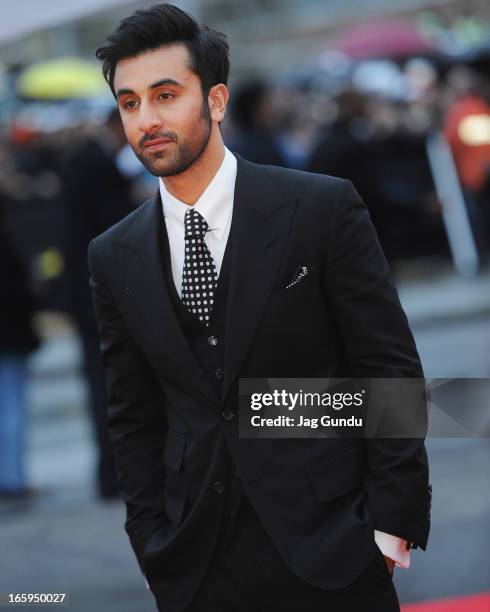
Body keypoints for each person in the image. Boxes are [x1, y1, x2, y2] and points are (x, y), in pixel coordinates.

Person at [90, 5, 431, 611]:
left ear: (216, 101)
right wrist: (152, 544)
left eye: (166, 94)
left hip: (333, 545)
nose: (147, 119)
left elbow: (388, 370)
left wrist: (388, 525)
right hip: (196, 565)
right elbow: (133, 416)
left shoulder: (319, 209)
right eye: (130, 102)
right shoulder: (113, 255)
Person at [61, 109, 135, 499]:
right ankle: (113, 473)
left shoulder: (85, 160)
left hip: (85, 293)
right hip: (94, 295)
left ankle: (112, 472)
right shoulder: (94, 163)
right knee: (108, 385)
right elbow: (112, 223)